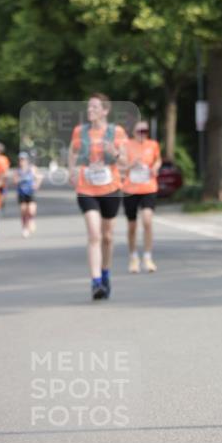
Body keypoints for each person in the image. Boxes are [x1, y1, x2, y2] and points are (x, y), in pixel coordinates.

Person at [68, 94, 127, 300]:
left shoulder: (116, 132)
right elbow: (73, 152)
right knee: (94, 235)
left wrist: (116, 153)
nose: (90, 110)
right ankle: (95, 283)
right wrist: (72, 171)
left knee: (108, 237)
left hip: (110, 187)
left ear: (105, 110)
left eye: (94, 107)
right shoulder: (80, 132)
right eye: (89, 107)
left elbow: (126, 161)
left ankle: (105, 273)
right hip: (86, 188)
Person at [122, 121, 162, 273]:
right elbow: (120, 166)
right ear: (133, 132)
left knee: (147, 220)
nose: (142, 133)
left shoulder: (153, 145)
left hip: (148, 187)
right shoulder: (126, 145)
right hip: (130, 188)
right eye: (139, 131)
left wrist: (155, 168)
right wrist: (131, 165)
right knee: (132, 226)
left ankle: (147, 256)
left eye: (145, 131)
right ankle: (133, 257)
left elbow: (157, 160)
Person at [13, 151, 42, 237]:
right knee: (23, 211)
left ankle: (31, 220)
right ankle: (24, 228)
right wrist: (20, 180)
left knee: (31, 210)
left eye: (23, 159)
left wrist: (36, 184)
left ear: (27, 160)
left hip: (30, 192)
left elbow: (39, 177)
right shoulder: (17, 171)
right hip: (21, 193)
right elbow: (14, 181)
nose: (22, 161)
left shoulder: (32, 168)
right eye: (20, 159)